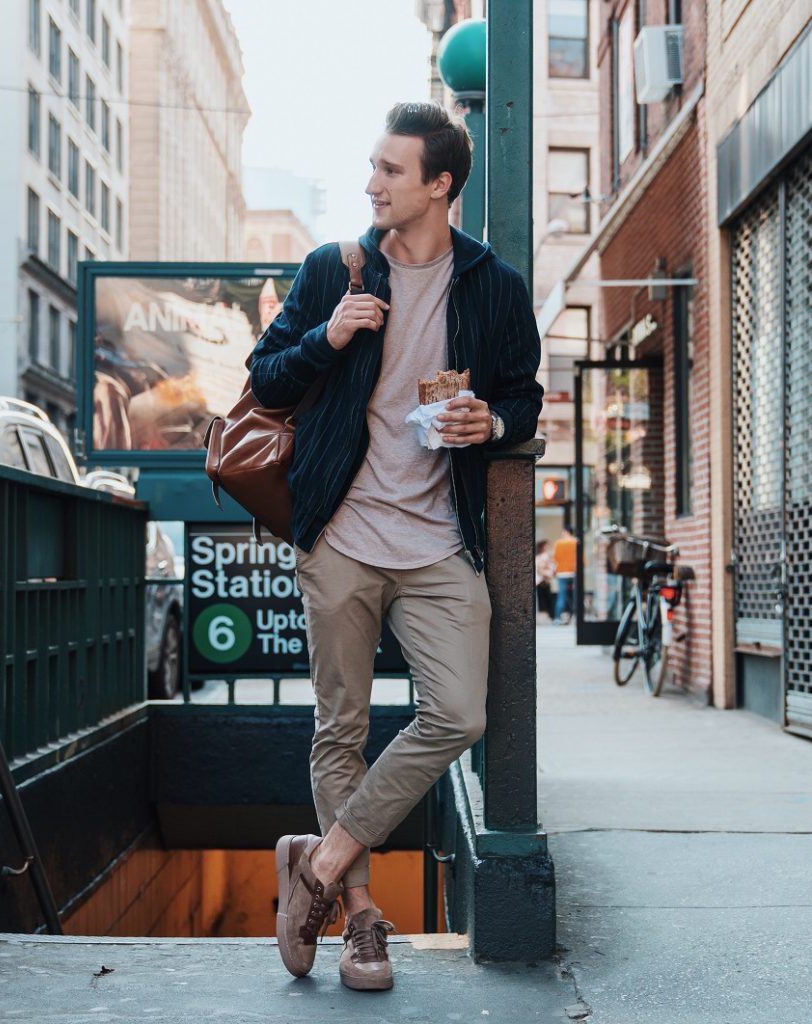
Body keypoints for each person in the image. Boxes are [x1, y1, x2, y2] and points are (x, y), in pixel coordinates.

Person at [249, 101, 543, 992]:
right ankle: (364, 922)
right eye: (371, 168)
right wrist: (327, 335)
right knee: (339, 725)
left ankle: (323, 861)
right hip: (340, 533)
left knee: (459, 711)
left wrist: (489, 417)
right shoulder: (332, 269)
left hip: (437, 541)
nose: (371, 184)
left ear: (440, 184)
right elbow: (265, 379)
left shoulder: (492, 286)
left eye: (390, 171)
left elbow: (525, 397)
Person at [552, 526, 577, 623]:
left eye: (563, 532)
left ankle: (557, 618)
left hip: (562, 573)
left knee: (562, 596)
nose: (562, 534)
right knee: (573, 596)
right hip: (573, 573)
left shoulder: (559, 543)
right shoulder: (575, 542)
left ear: (567, 532)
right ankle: (573, 617)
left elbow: (556, 558)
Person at [535, 539, 555, 618]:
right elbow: (541, 567)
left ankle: (547, 615)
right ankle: (546, 616)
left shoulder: (544, 555)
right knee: (544, 599)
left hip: (544, 580)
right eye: (546, 546)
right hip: (541, 579)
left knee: (545, 599)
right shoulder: (542, 556)